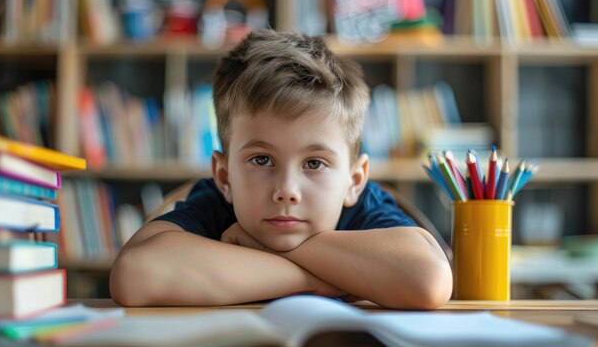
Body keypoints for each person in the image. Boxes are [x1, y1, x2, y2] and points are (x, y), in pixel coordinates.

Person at [110, 30, 452, 309]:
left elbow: (430, 280)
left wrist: (266, 251)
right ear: (225, 177)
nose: (286, 190)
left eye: (315, 163)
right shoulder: (216, 203)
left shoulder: (366, 210)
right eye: (261, 160)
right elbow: (133, 272)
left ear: (354, 181)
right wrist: (319, 280)